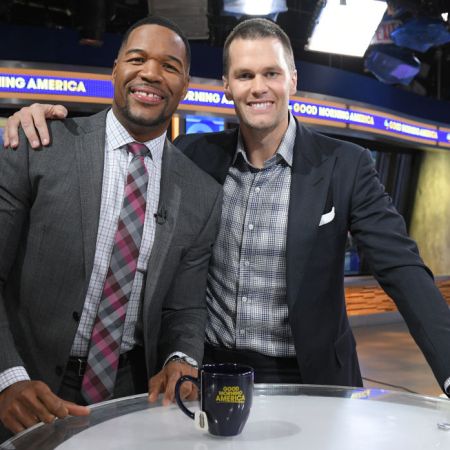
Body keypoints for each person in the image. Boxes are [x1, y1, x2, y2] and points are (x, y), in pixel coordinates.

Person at [4, 19, 450, 394]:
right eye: (245, 75)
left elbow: (402, 269)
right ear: (226, 86)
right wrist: (32, 116)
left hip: (311, 375)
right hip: (208, 372)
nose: (259, 88)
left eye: (271, 74)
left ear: (293, 80)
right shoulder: (191, 157)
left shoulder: (345, 164)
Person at [0, 16, 222, 439]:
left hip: (130, 396)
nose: (151, 74)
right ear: (116, 68)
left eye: (170, 66)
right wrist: (7, 378)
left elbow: (185, 306)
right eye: (137, 59)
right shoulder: (40, 144)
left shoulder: (202, 193)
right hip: (26, 383)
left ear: (186, 84)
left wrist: (182, 356)